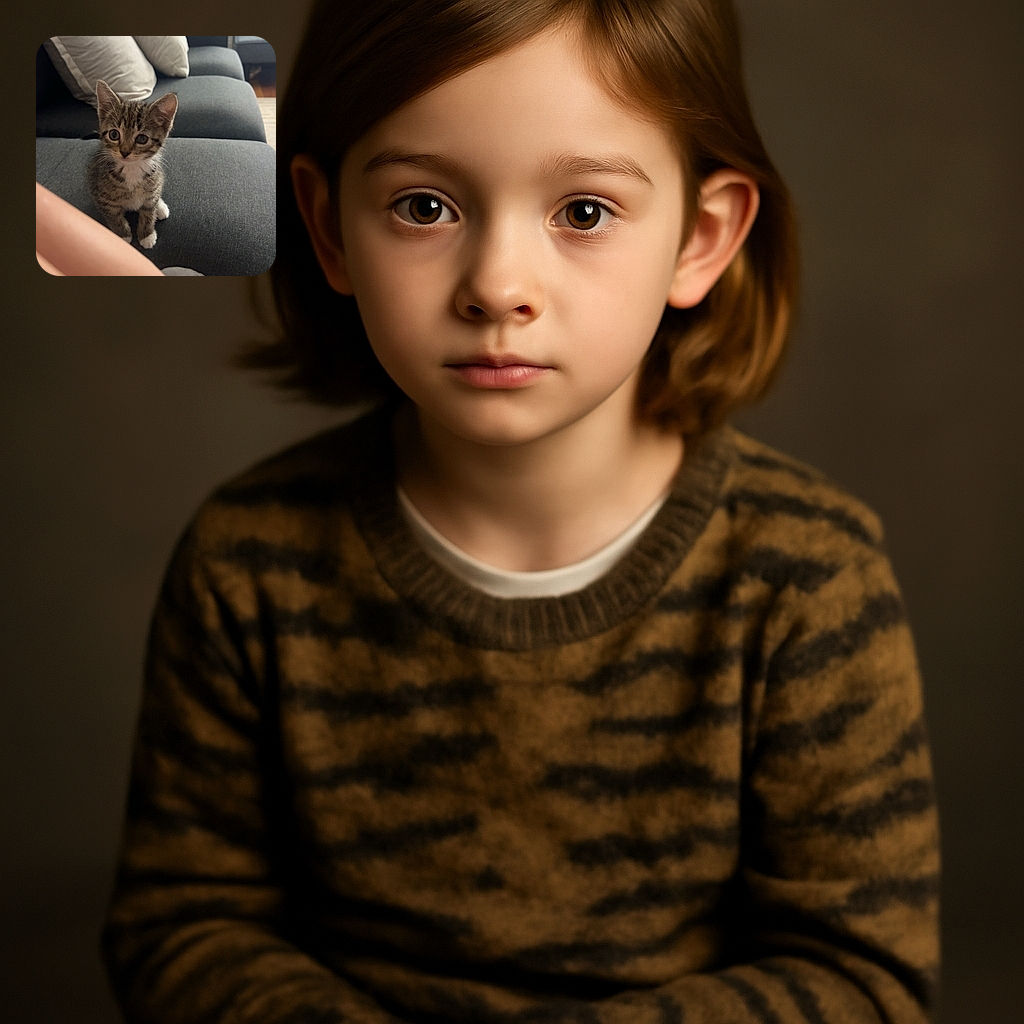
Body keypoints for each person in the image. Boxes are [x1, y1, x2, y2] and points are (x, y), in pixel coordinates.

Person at [101, 1, 940, 1021]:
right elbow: (180, 925)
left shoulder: (809, 578)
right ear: (326, 229)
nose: (498, 285)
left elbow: (862, 973)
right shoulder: (247, 562)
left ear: (701, 238)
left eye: (583, 211)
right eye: (421, 206)